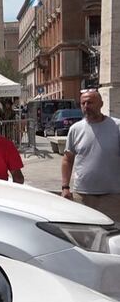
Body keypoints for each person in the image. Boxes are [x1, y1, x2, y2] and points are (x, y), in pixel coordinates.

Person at [61, 90, 120, 221]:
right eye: (83, 103)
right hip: (82, 195)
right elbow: (67, 159)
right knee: (84, 236)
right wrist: (65, 187)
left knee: (112, 235)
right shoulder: (75, 129)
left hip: (112, 196)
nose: (86, 106)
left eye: (90, 102)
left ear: (101, 104)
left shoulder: (116, 127)